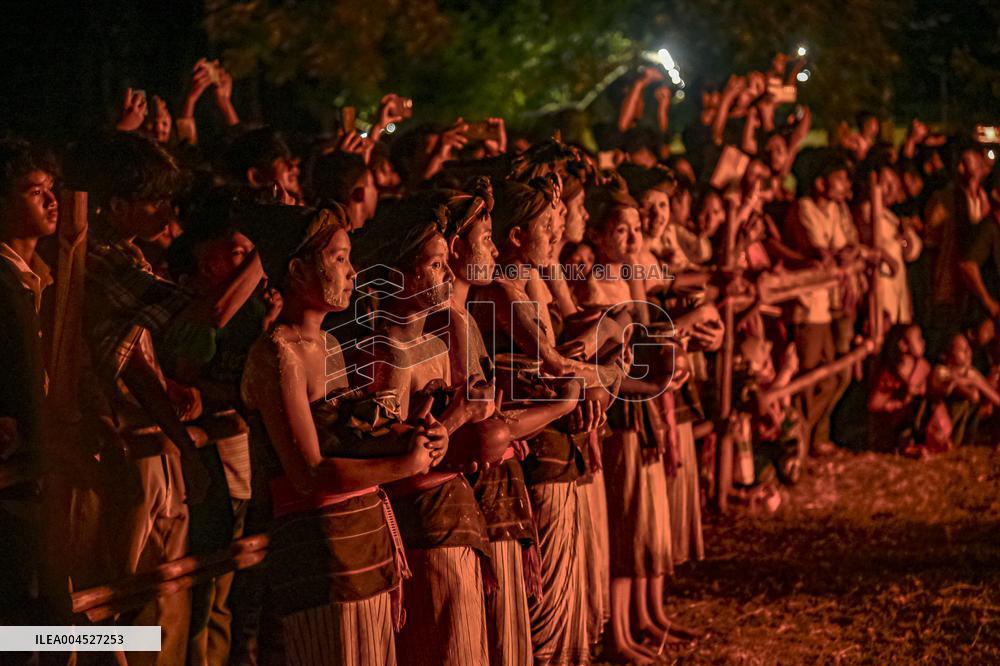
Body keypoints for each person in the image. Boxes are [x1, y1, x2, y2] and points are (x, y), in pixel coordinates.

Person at [65, 131, 263, 665]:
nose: (166, 212)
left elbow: (137, 360)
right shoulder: (96, 262)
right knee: (106, 602)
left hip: (152, 448)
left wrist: (182, 447)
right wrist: (266, 251)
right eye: (154, 200)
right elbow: (201, 314)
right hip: (114, 453)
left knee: (158, 596)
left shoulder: (123, 256)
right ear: (117, 207)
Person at [241, 204, 443, 665]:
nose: (351, 272)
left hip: (362, 538)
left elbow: (348, 435)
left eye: (349, 259)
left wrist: (422, 435)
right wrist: (404, 465)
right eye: (337, 259)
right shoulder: (278, 353)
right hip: (321, 549)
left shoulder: (327, 344)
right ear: (296, 269)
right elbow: (308, 473)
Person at [0, 139, 60, 633]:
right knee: (19, 627)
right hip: (12, 485)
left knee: (56, 619)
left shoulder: (42, 279)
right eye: (33, 190)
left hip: (43, 477)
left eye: (52, 188)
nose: (51, 200)